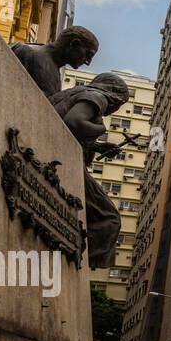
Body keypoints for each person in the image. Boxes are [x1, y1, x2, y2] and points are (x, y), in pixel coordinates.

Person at [49, 73, 130, 269]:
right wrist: (100, 129)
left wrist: (97, 147)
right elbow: (74, 122)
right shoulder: (98, 97)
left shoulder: (69, 94)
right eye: (120, 105)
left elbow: (66, 128)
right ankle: (82, 266)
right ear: (116, 97)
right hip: (66, 161)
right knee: (109, 218)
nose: (114, 110)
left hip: (52, 152)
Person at [12, 26, 98, 98]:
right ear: (74, 44)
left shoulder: (55, 73)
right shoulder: (28, 52)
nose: (88, 62)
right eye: (88, 54)